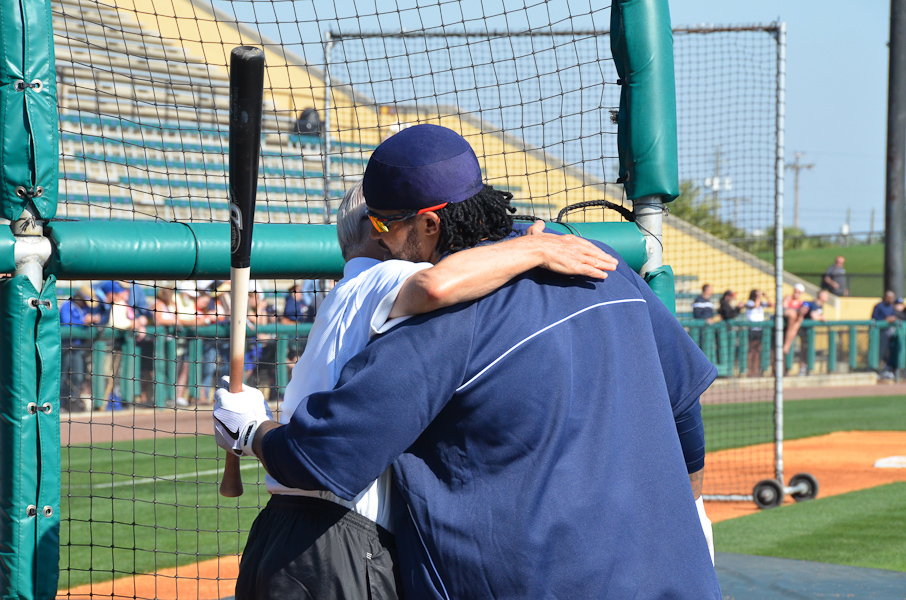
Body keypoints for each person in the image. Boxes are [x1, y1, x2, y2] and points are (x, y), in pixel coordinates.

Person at [214, 124, 720, 599]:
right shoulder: (602, 264)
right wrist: (693, 510)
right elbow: (683, 412)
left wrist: (250, 430)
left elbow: (322, 457)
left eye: (384, 224)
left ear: (431, 224)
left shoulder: (443, 323)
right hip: (674, 577)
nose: (382, 241)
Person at [221, 178, 616, 600]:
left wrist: (247, 428)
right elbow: (436, 284)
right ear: (381, 229)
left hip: (281, 532)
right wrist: (531, 247)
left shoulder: (345, 292)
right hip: (339, 539)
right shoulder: (390, 274)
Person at [59, 285, 97, 412]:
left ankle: (72, 402)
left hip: (78, 348)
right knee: (63, 376)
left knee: (78, 376)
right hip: (65, 347)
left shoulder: (84, 309)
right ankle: (61, 404)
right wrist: (83, 322)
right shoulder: (67, 306)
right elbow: (66, 323)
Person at [744, 289, 773, 377]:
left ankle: (756, 370)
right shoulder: (750, 302)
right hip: (752, 328)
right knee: (751, 349)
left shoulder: (761, 302)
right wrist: (759, 297)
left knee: (757, 350)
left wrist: (766, 296)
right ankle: (749, 371)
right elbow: (755, 305)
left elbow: (771, 305)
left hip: (759, 329)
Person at [872, 290, 900, 380]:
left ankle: (889, 368)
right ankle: (876, 368)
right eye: (890, 298)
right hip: (880, 333)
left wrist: (893, 318)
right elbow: (874, 317)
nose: (891, 300)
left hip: (890, 332)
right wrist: (885, 319)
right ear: (886, 297)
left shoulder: (891, 307)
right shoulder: (878, 306)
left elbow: (894, 315)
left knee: (890, 351)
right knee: (880, 351)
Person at [781, 283, 807, 355]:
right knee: (792, 314)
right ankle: (787, 345)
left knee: (798, 320)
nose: (796, 293)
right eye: (795, 291)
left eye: (799, 292)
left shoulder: (800, 302)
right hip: (786, 318)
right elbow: (784, 308)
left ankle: (787, 344)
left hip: (793, 323)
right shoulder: (788, 297)